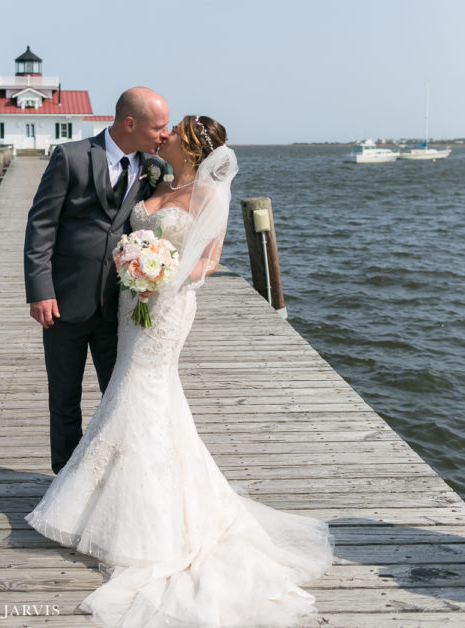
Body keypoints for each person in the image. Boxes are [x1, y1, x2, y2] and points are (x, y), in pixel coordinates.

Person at [25, 116, 333, 627]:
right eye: (161, 127)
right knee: (129, 394)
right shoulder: (155, 178)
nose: (164, 134)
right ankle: (106, 498)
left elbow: (209, 259)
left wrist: (163, 277)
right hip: (129, 303)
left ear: (190, 147)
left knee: (141, 391)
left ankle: (139, 519)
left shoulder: (210, 194)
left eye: (174, 130)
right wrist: (138, 268)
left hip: (165, 305)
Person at [24, 86, 170, 474]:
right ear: (130, 123)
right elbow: (41, 226)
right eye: (158, 126)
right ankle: (64, 478)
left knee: (118, 398)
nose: (164, 134)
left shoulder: (155, 168)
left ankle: (113, 476)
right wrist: (40, 291)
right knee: (64, 398)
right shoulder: (70, 157)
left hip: (119, 305)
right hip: (63, 302)